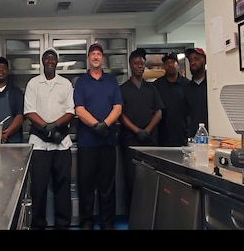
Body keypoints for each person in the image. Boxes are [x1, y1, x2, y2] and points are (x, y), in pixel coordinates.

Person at [23, 47, 75, 230]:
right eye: (47, 58)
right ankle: (38, 225)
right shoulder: (33, 84)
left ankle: (63, 225)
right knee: (39, 189)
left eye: (53, 58)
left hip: (62, 144)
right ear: (43, 62)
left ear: (57, 62)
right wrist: (45, 127)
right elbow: (29, 111)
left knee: (62, 187)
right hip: (39, 145)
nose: (50, 60)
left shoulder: (66, 84)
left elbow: (70, 111)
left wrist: (55, 125)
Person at [73, 41, 123, 230]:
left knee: (107, 187)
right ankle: (86, 223)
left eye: (98, 54)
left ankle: (107, 223)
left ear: (102, 58)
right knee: (86, 187)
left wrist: (106, 125)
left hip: (107, 142)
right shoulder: (81, 82)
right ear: (88, 58)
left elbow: (118, 107)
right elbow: (79, 109)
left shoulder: (111, 81)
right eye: (92, 54)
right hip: (87, 143)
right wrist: (95, 125)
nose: (95, 57)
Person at [119, 48, 163, 210]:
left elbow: (159, 112)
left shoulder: (151, 88)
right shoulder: (123, 89)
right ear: (130, 65)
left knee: (150, 178)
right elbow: (120, 114)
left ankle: (149, 214)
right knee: (131, 179)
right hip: (130, 140)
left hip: (150, 141)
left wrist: (147, 130)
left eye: (142, 64)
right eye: (136, 63)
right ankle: (132, 215)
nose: (139, 66)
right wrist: (136, 130)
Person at [155, 51, 192, 146]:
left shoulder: (187, 84)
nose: (170, 65)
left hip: (183, 135)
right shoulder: (157, 85)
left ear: (178, 65)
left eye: (173, 62)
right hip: (162, 136)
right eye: (167, 63)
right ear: (164, 66)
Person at [184, 47, 208, 137]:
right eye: (190, 60)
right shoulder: (187, 88)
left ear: (205, 61)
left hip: (213, 135)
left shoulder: (212, 86)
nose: (193, 62)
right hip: (193, 137)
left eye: (196, 59)